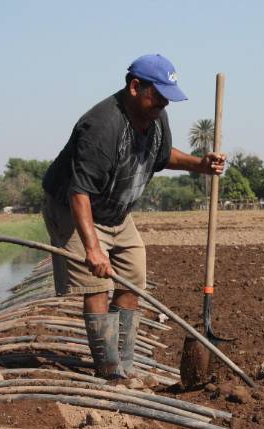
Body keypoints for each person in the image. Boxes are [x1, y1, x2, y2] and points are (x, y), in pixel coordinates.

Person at [41, 54, 225, 379]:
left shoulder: (155, 116)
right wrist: (93, 249)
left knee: (132, 280)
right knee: (97, 285)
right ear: (135, 86)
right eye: (159, 95)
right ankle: (109, 371)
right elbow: (78, 192)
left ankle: (125, 363)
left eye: (169, 97)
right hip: (75, 210)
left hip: (116, 212)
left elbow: (163, 154)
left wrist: (199, 164)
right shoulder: (101, 128)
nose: (164, 104)